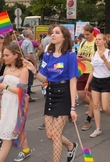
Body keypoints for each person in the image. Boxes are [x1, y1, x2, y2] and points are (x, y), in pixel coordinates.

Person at [23, 25, 78, 162]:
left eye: (57, 32)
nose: (53, 35)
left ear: (64, 37)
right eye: (52, 32)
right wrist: (33, 70)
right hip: (51, 93)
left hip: (64, 94)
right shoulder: (47, 55)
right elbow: (44, 79)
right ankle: (71, 145)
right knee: (50, 134)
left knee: (57, 135)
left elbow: (72, 81)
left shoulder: (70, 56)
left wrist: (72, 107)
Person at [0, 44, 31, 162]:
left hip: (16, 105)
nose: (4, 58)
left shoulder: (24, 70)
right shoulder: (6, 69)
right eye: (4, 55)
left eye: (7, 55)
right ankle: (26, 150)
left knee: (7, 136)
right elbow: (1, 84)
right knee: (17, 129)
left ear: (15, 55)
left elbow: (22, 92)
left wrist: (5, 86)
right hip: (6, 103)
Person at [84, 34, 110, 138]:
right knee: (95, 105)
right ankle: (98, 128)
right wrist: (88, 83)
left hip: (106, 81)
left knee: (105, 107)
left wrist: (104, 59)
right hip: (95, 80)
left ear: (104, 41)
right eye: (96, 40)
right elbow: (93, 70)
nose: (97, 41)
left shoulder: (109, 53)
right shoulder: (94, 54)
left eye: (99, 39)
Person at [77, 24, 96, 131]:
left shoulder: (96, 43)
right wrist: (78, 58)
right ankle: (94, 107)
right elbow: (79, 55)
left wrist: (86, 59)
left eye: (87, 34)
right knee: (81, 94)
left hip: (92, 72)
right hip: (82, 71)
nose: (85, 36)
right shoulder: (83, 43)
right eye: (84, 34)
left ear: (92, 32)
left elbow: (98, 60)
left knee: (91, 95)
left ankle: (88, 119)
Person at [20, 29, 36, 102]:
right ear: (29, 35)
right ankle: (28, 96)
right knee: (29, 79)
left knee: (27, 79)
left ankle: (26, 94)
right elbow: (30, 54)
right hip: (29, 61)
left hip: (25, 61)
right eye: (32, 33)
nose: (32, 35)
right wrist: (34, 62)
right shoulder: (29, 42)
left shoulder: (24, 42)